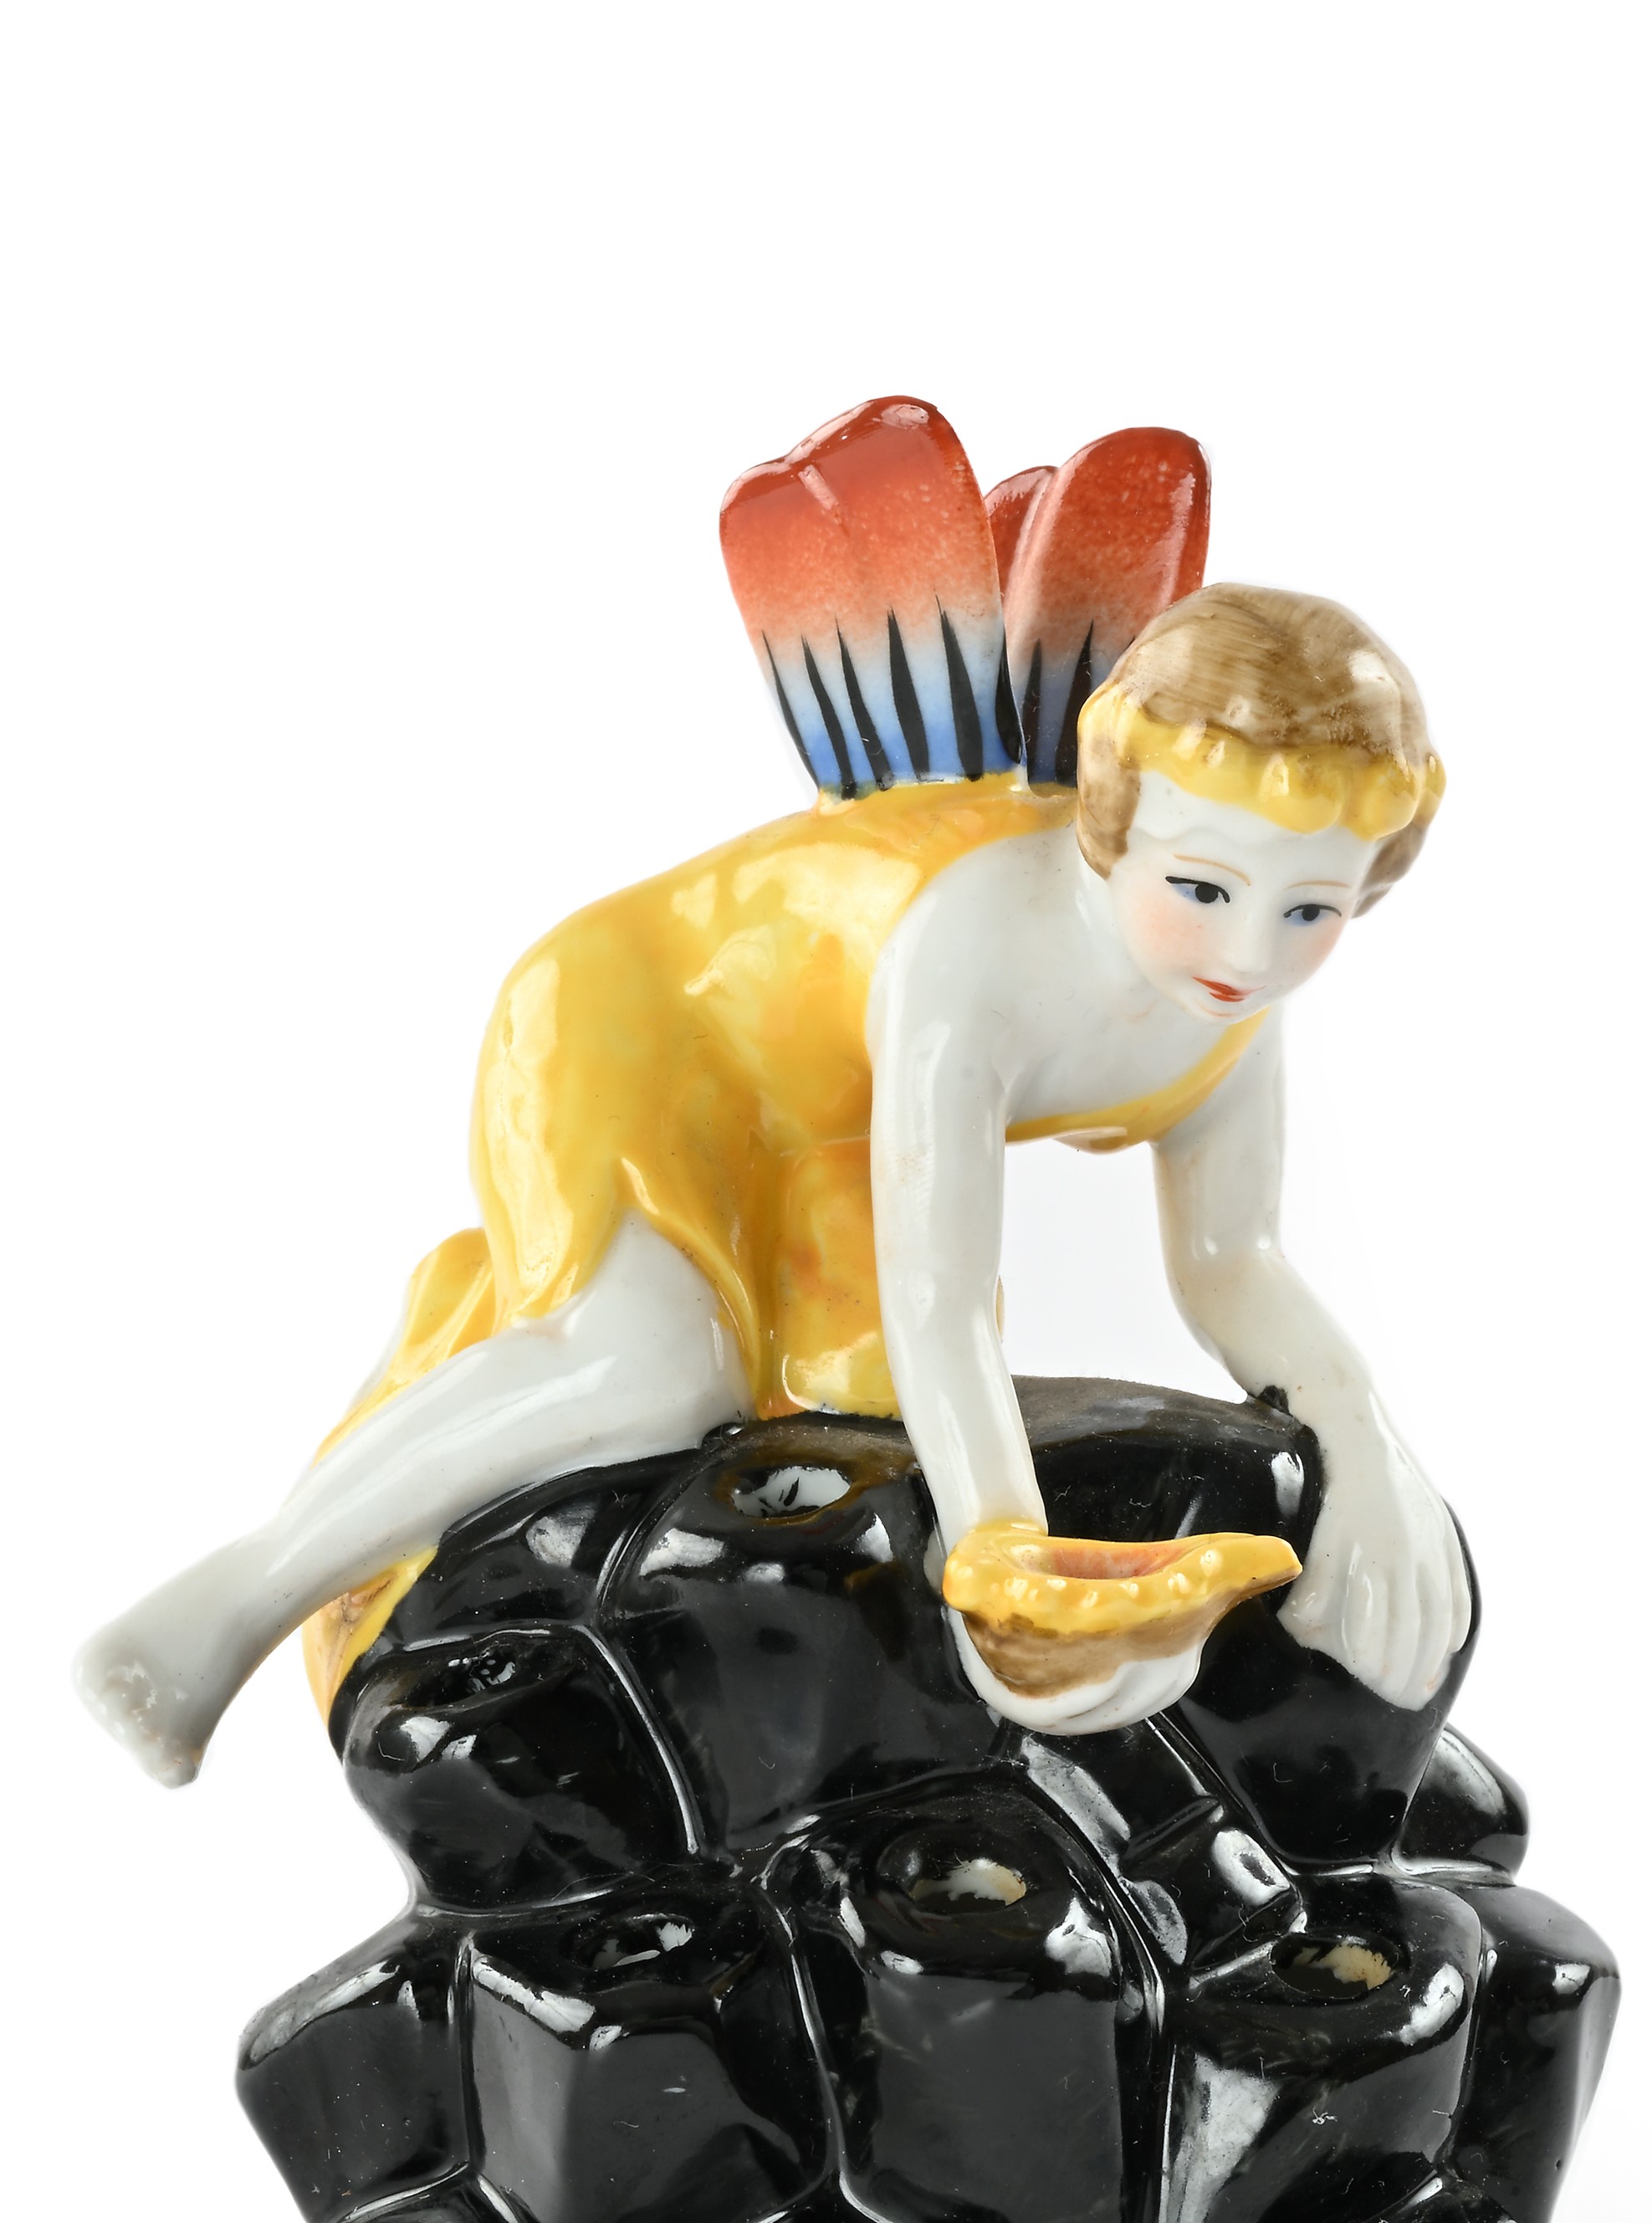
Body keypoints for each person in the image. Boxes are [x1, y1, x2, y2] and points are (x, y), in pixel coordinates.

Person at [74, 402, 1470, 1784]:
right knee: (653, 1373)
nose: (1247, 955)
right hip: (642, 1019)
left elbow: (1233, 1262)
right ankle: (219, 1611)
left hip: (822, 1114)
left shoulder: (1224, 1009)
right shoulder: (983, 942)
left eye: (1311, 910)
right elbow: (939, 1296)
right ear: (1115, 817)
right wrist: (1002, 1556)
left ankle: (486, 1357)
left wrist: (1368, 1450)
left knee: (844, 1399)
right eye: (1202, 888)